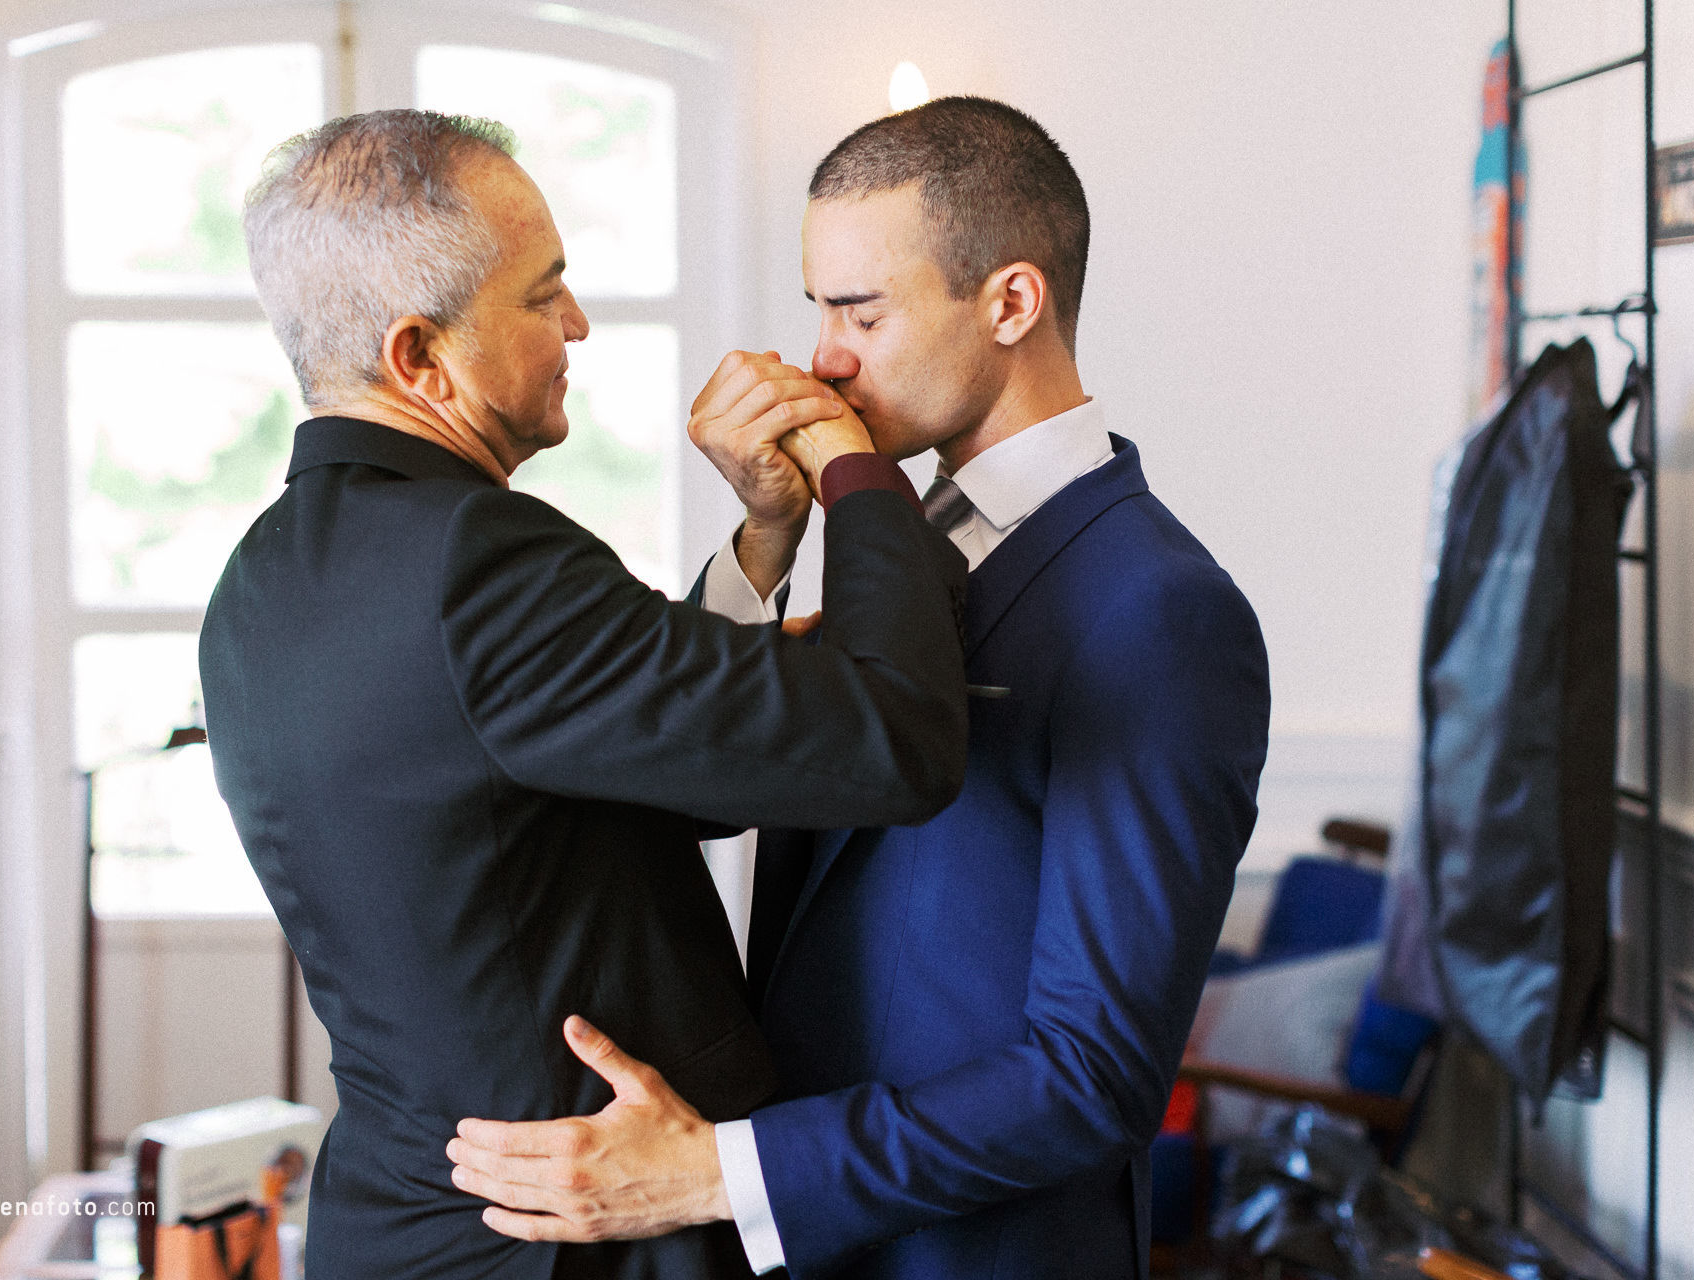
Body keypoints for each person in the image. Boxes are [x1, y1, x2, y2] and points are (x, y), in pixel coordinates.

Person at [446, 97, 1272, 1279]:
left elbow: (1093, 1075)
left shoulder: (1160, 610)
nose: (823, 357)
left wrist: (714, 1171)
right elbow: (694, 780)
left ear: (1011, 302)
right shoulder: (899, 547)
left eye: (860, 311)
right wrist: (767, 535)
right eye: (816, 308)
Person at [198, 108, 973, 1280]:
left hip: (403, 1225)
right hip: (575, 1239)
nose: (577, 324)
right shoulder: (475, 560)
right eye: (540, 293)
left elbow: (656, 770)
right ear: (421, 357)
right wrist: (851, 464)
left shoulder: (261, 580)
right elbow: (895, 738)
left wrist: (768, 532)